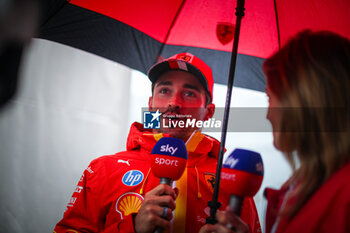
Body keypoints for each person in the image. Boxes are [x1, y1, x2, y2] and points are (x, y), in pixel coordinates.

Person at [53, 53, 262, 233]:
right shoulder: (103, 169)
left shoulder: (234, 181)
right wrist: (132, 227)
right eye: (164, 91)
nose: (174, 103)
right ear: (151, 104)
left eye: (189, 93)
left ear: (208, 112)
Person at [200, 31, 350, 233]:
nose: (268, 115)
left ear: (303, 100)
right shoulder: (306, 185)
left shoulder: (343, 196)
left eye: (270, 98)